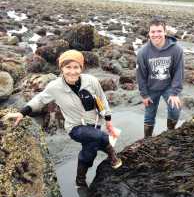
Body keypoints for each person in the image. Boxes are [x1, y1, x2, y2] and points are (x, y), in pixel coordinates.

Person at [3, 50, 122, 188]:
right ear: (61, 69)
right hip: (75, 128)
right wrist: (21, 113)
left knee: (90, 151)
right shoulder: (55, 87)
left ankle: (80, 180)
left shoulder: (91, 81)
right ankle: (110, 149)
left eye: (76, 67)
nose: (72, 71)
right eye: (68, 67)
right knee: (101, 138)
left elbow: (102, 100)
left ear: (81, 68)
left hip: (94, 124)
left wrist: (108, 120)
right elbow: (39, 100)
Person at [136, 17, 184, 138]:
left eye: (159, 31)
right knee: (149, 115)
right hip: (151, 87)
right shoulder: (143, 52)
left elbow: (179, 71)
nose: (156, 34)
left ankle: (170, 132)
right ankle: (147, 139)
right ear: (148, 33)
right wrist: (144, 95)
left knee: (175, 108)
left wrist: (174, 92)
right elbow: (140, 75)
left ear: (165, 32)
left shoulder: (176, 49)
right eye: (153, 32)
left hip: (168, 86)